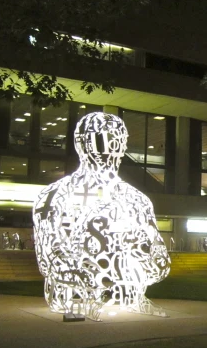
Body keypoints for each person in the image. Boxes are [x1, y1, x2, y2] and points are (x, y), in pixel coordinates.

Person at [32, 112, 170, 320]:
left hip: (126, 291)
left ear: (123, 146)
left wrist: (154, 257)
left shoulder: (137, 200)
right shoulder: (54, 195)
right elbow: (47, 258)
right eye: (100, 140)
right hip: (73, 295)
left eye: (116, 141)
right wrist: (78, 271)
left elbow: (158, 259)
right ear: (81, 143)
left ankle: (130, 298)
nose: (109, 149)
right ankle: (88, 301)